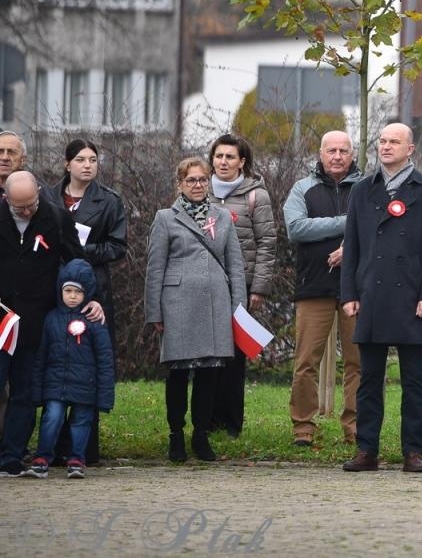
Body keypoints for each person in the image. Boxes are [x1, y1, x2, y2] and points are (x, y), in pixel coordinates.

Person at [340, 123, 422, 474]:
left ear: (410, 148)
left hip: (412, 299)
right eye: (382, 141)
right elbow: (351, 247)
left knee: (413, 382)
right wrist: (349, 293)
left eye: (394, 142)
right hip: (371, 295)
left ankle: (413, 451)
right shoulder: (361, 191)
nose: (386, 147)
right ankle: (366, 449)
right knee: (369, 379)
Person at [145, 156, 246, 463]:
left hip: (215, 302)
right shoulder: (165, 218)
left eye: (203, 179)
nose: (198, 185)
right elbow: (155, 267)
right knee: (178, 373)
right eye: (191, 180)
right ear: (180, 184)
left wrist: (237, 309)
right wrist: (155, 313)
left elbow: (236, 266)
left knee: (208, 374)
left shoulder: (222, 217)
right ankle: (176, 435)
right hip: (177, 304)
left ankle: (200, 435)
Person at [0, 168, 99, 477]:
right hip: (0, 318)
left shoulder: (56, 219)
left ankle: (11, 456)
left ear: (39, 193)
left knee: (25, 391)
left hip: (35, 321)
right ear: (6, 199)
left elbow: (76, 263)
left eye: (31, 204)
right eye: (20, 207)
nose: (27, 211)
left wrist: (89, 297)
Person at [41, 139, 126, 465]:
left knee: (86, 366)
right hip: (51, 289)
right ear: (67, 164)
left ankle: (82, 449)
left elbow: (117, 246)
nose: (87, 165)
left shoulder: (109, 201)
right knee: (54, 363)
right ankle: (47, 448)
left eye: (93, 159)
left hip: (92, 290)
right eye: (80, 159)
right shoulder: (47, 196)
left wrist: (78, 251)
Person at [282, 129, 362, 446]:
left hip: (356, 289)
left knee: (359, 362)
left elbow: (379, 230)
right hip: (313, 286)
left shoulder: (367, 188)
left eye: (344, 151)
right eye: (332, 151)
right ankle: (303, 426)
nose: (338, 156)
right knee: (305, 363)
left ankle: (355, 426)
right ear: (320, 153)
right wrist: (348, 222)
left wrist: (352, 249)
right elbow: (296, 228)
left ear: (352, 154)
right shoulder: (303, 188)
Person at [207, 133, 275, 438]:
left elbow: (267, 243)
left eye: (230, 157)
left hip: (240, 288)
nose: (223, 162)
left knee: (234, 358)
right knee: (207, 356)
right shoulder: (199, 190)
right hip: (204, 288)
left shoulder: (255, 196)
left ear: (242, 162)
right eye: (219, 156)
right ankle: (205, 421)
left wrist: (258, 288)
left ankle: (231, 424)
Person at [25, 259, 113, 479]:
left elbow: (105, 360)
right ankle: (42, 457)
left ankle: (76, 459)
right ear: (60, 290)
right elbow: (41, 357)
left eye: (78, 292)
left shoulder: (95, 320)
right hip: (55, 385)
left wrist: (104, 396)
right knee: (51, 417)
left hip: (86, 386)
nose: (72, 296)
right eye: (68, 290)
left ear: (87, 292)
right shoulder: (51, 319)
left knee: (81, 422)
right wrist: (37, 390)